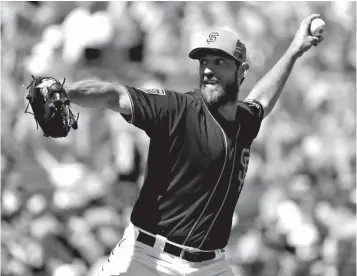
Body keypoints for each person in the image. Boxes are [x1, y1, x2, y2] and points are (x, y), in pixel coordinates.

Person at [66, 14, 324, 276]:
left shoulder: (244, 120)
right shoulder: (176, 109)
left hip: (209, 266)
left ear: (242, 72)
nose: (208, 70)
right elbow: (114, 95)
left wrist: (294, 51)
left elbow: (262, 100)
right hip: (149, 257)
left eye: (219, 61)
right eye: (204, 62)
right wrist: (67, 93)